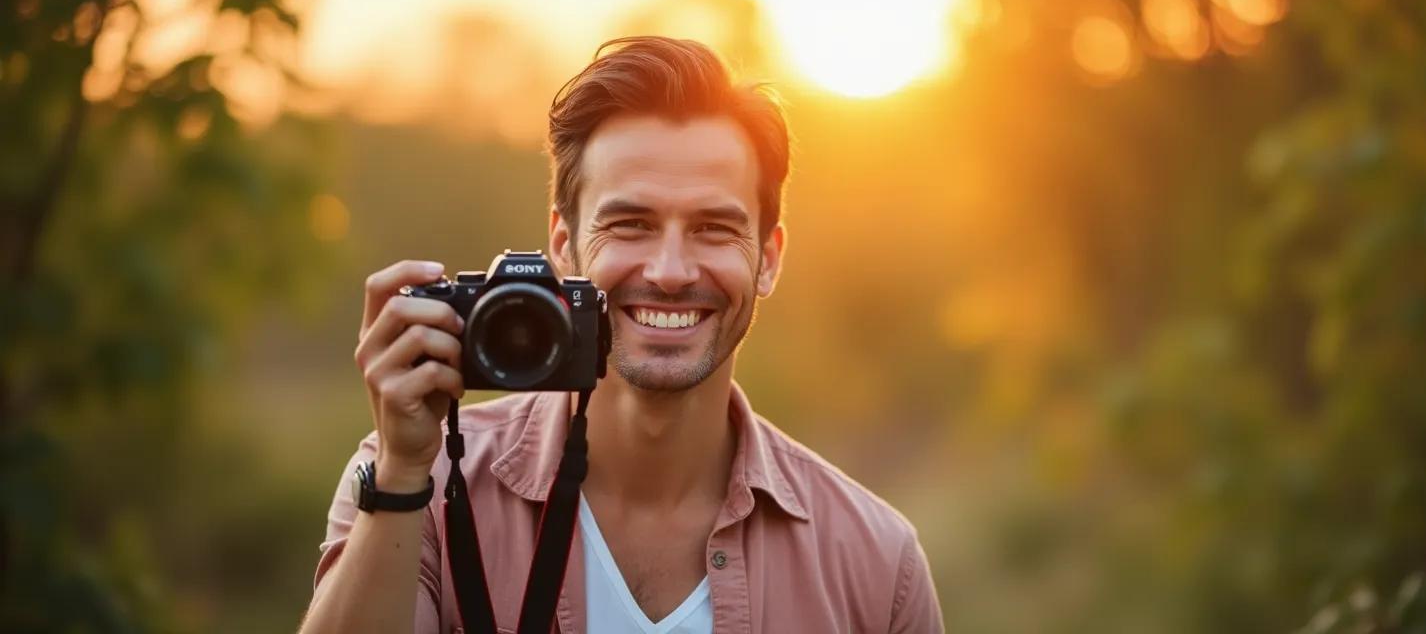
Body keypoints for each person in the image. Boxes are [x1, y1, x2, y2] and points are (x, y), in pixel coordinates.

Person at [299, 36, 943, 634]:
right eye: (631, 224)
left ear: (768, 257)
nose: (669, 272)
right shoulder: (421, 483)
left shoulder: (877, 565)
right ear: (564, 245)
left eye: (714, 228)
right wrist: (402, 472)